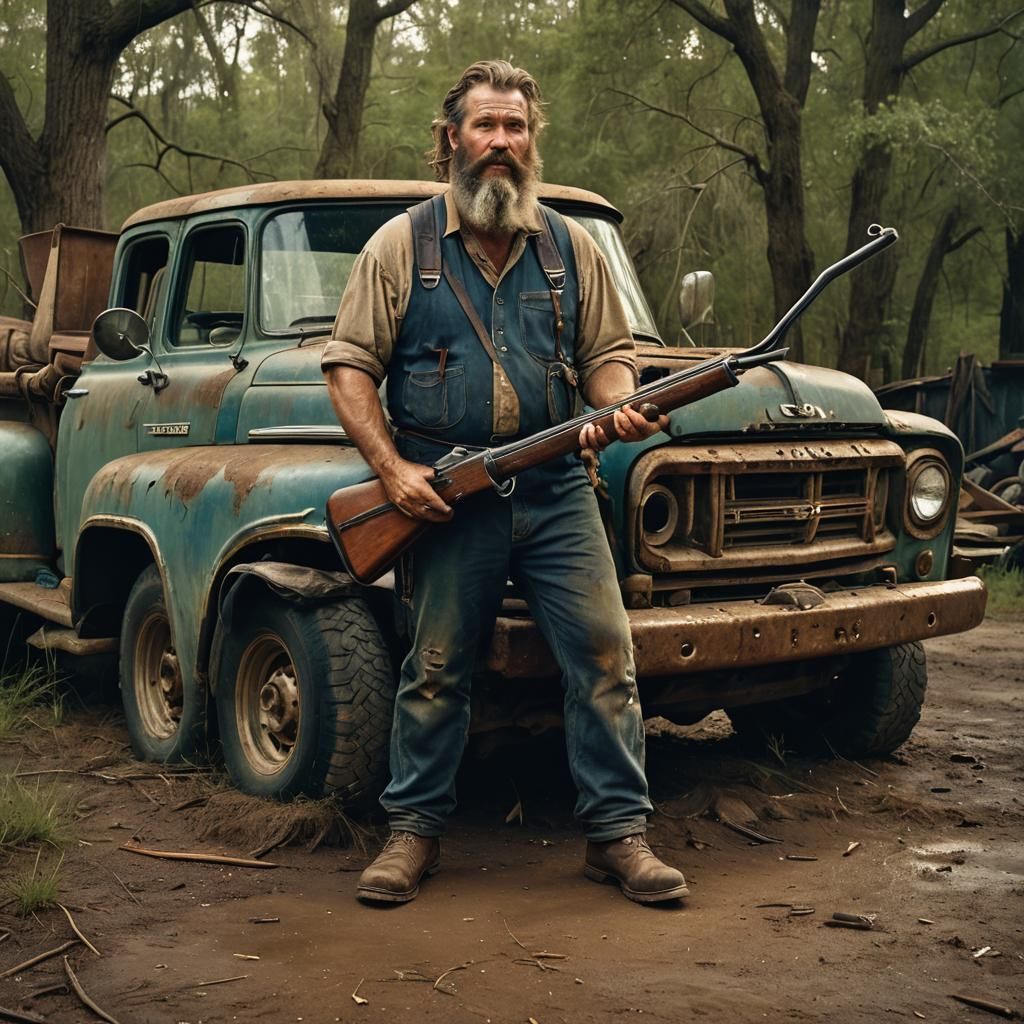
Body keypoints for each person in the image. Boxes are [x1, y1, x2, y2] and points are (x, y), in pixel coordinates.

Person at [322, 60, 687, 906]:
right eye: (485, 127)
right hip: (450, 498)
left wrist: (620, 408)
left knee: (606, 658)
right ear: (452, 139)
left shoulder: (570, 246)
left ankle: (618, 836)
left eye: (515, 129)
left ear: (532, 142)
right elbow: (348, 368)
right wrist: (393, 471)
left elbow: (609, 361)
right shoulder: (399, 245)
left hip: (559, 490)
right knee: (437, 665)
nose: (501, 144)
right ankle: (412, 833)